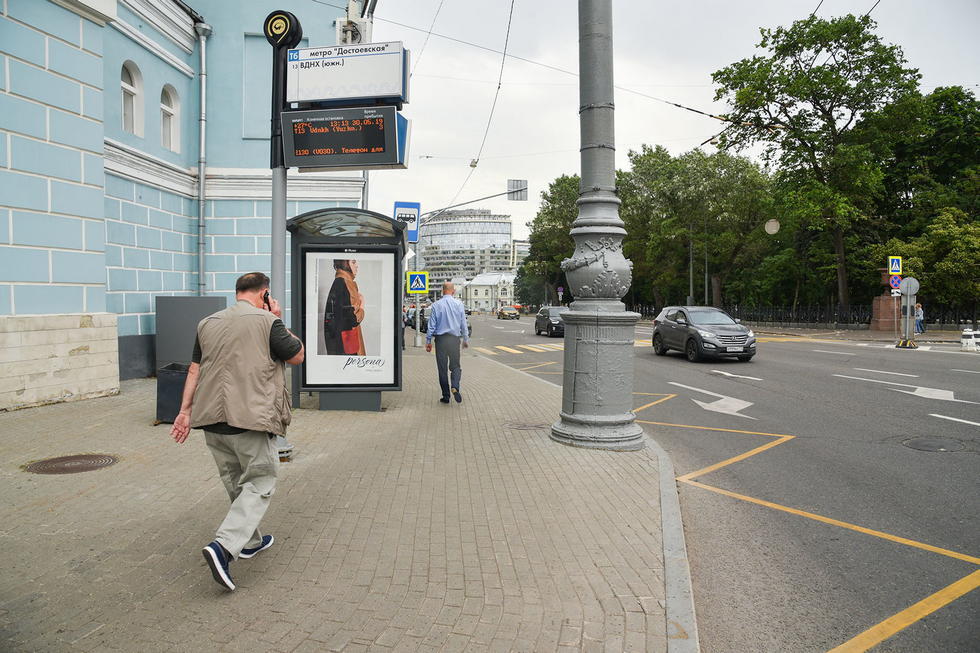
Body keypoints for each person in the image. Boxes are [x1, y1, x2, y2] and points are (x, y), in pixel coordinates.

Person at [170, 272, 304, 591]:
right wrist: (277, 318)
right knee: (260, 481)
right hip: (250, 419)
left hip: (211, 421)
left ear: (237, 293)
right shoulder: (266, 322)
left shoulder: (207, 323)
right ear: (265, 294)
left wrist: (184, 412)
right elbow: (297, 355)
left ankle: (250, 542)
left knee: (235, 481)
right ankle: (224, 547)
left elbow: (194, 369)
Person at [425, 282, 469, 404]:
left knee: (442, 369)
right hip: (454, 340)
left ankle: (446, 396)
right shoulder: (459, 304)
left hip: (441, 340)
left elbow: (431, 325)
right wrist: (465, 339)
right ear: (453, 291)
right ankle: (455, 386)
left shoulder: (436, 305)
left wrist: (428, 341)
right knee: (455, 366)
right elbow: (463, 324)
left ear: (442, 291)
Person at [323, 259, 365, 356]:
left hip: (341, 344)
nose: (357, 266)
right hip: (347, 348)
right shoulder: (344, 283)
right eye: (353, 262)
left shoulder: (339, 281)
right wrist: (362, 304)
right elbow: (353, 320)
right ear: (345, 263)